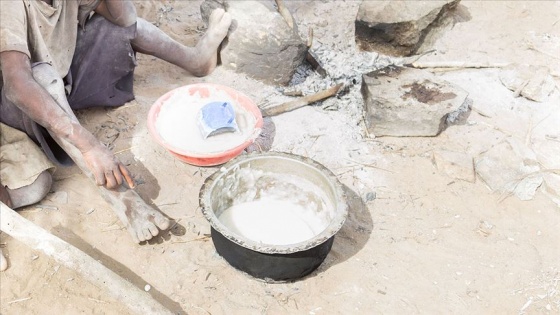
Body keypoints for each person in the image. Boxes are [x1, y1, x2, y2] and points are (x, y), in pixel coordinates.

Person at [0, 0, 242, 269]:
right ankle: (120, 197)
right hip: (20, 106)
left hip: (63, 79)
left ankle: (195, 60)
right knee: (42, 79)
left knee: (114, 27)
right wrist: (88, 144)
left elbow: (125, 18)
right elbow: (17, 85)